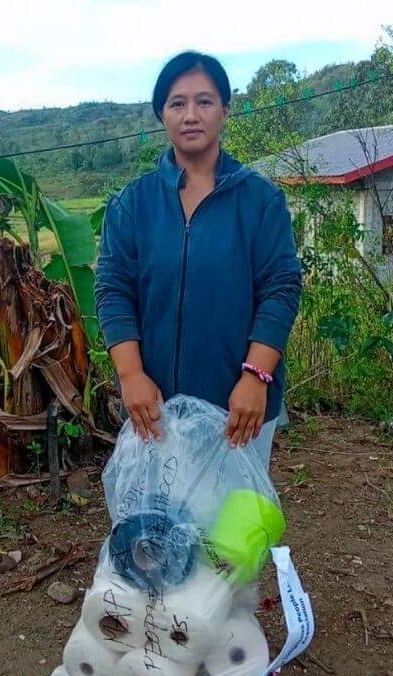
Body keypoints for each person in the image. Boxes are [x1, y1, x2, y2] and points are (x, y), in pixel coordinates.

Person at [95, 51, 302, 469]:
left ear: (226, 109)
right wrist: (131, 376)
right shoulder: (133, 204)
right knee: (159, 527)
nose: (191, 114)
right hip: (155, 410)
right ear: (162, 114)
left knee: (231, 528)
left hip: (238, 409)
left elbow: (281, 289)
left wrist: (256, 377)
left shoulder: (260, 201)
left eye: (204, 101)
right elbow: (113, 290)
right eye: (177, 103)